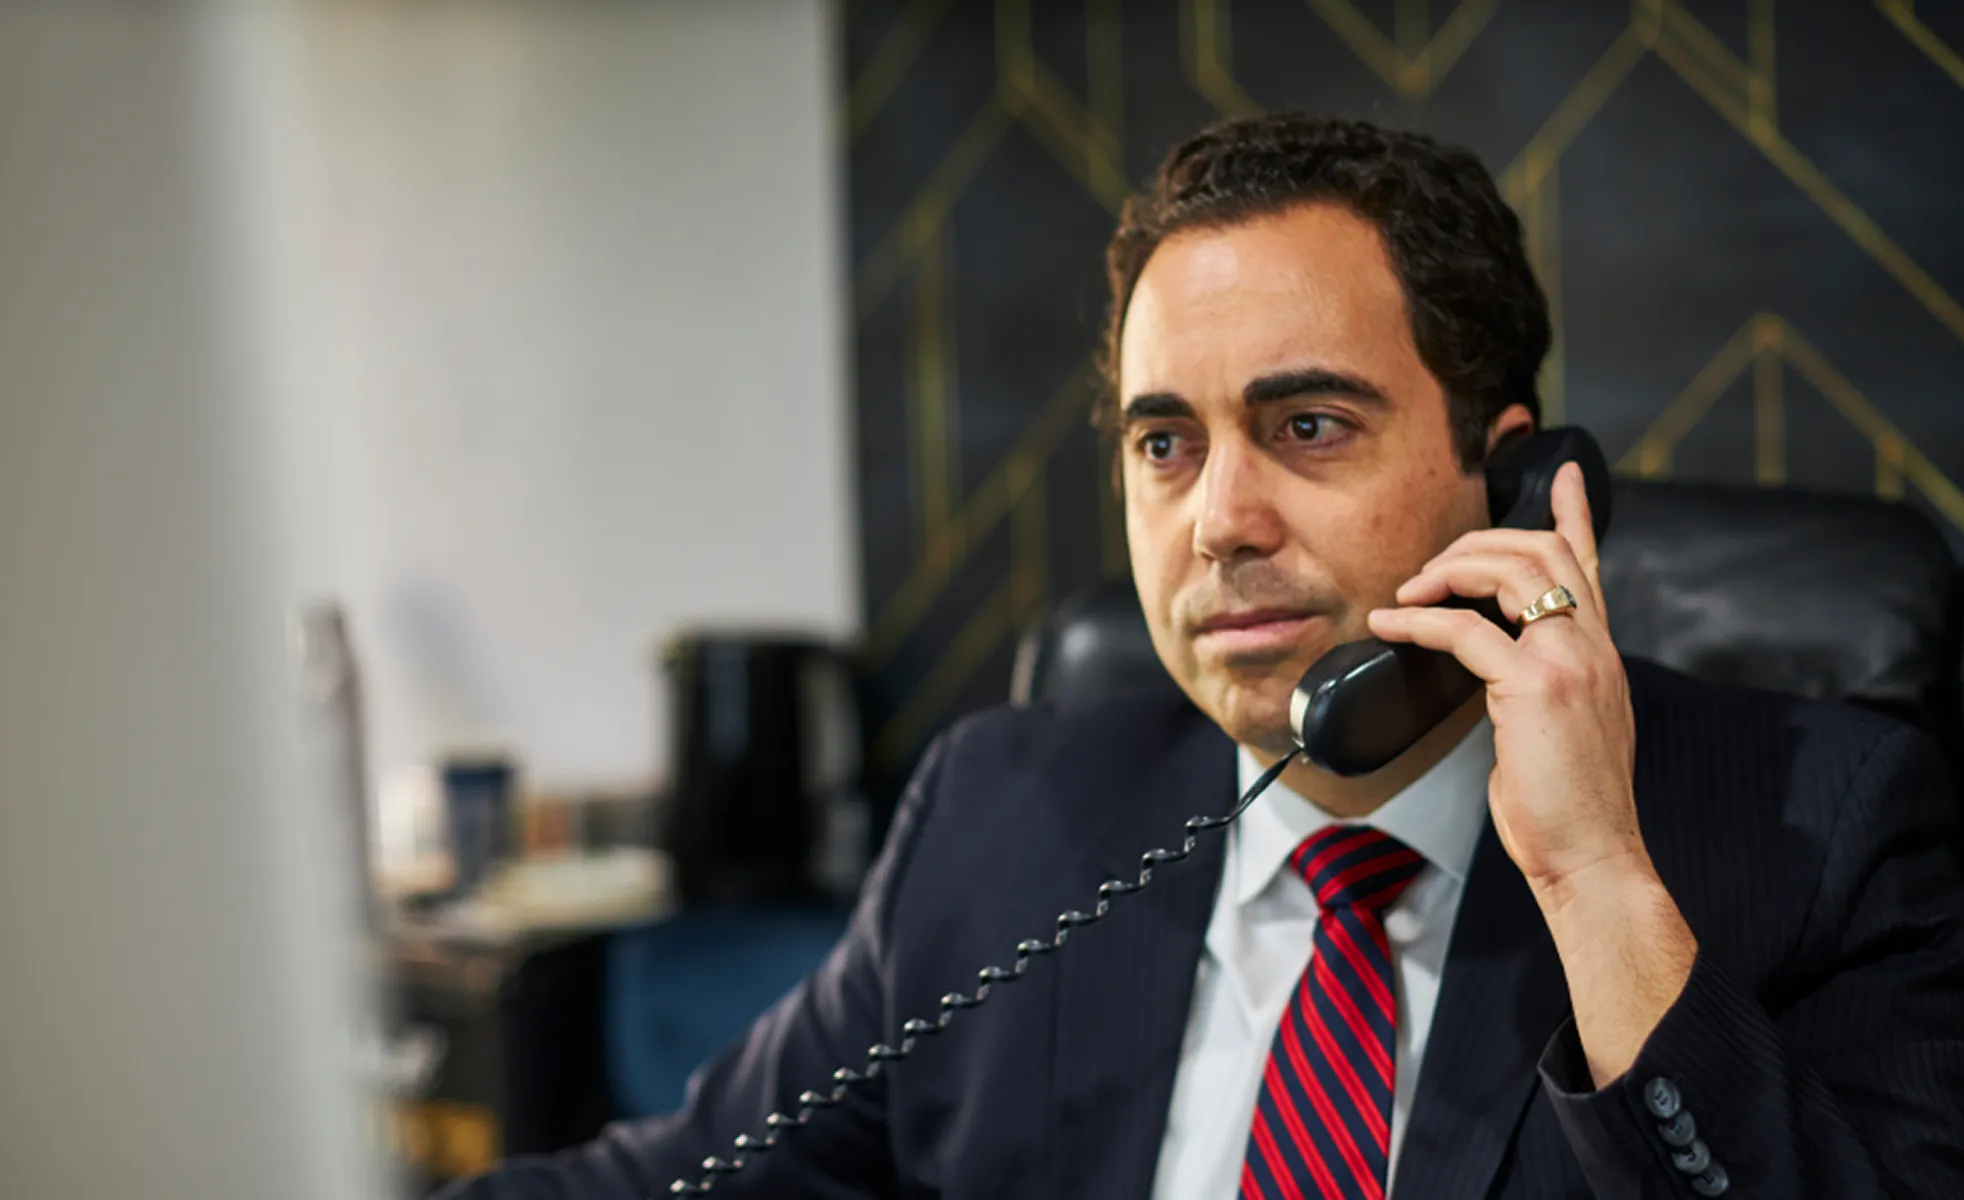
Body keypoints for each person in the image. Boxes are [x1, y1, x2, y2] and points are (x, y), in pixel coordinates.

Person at [441, 115, 1964, 1199]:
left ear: (1508, 481)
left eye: (1309, 425)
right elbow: (681, 1175)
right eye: (1165, 444)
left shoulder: (1822, 830)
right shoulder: (998, 813)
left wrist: (1596, 885)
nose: (1220, 520)